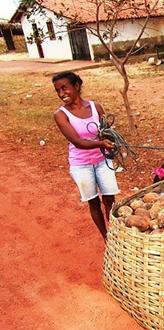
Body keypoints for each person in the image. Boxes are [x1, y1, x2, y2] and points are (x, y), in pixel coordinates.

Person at [52, 71, 119, 241]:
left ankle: (116, 233)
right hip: (81, 164)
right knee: (94, 202)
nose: (61, 94)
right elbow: (78, 142)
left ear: (76, 86)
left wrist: (111, 141)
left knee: (110, 199)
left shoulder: (95, 107)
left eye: (64, 88)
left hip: (103, 161)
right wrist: (101, 144)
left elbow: (107, 133)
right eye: (58, 90)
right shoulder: (60, 115)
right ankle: (106, 238)